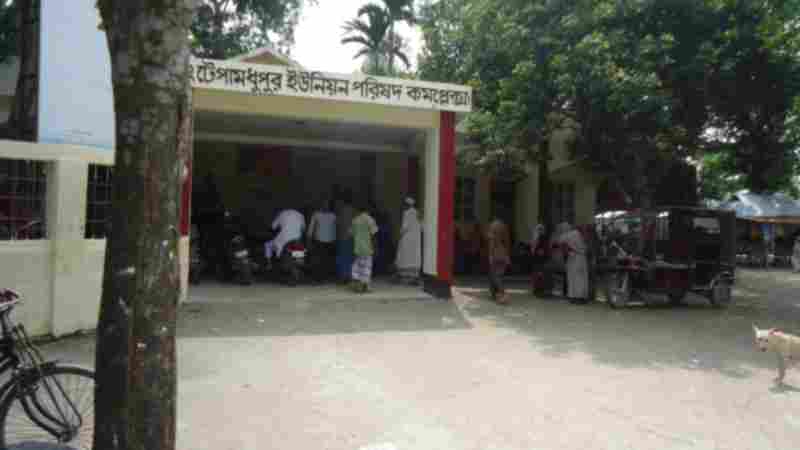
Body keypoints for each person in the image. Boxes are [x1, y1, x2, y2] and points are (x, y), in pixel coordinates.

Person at [554, 222, 590, 304]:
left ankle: (576, 297)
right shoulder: (577, 233)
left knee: (574, 278)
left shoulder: (567, 235)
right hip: (581, 258)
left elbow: (558, 241)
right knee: (582, 278)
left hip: (574, 258)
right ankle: (582, 297)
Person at [350, 203, 379, 293]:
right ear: (368, 210)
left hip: (357, 247)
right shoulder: (370, 219)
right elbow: (374, 234)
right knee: (367, 266)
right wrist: (375, 246)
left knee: (357, 266)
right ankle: (365, 286)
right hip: (367, 247)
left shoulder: (355, 220)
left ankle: (358, 285)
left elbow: (351, 234)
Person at [307, 199, 337, 282]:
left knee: (327, 260)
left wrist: (336, 239)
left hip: (330, 241)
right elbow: (311, 228)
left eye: (327, 204)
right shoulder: (316, 214)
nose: (326, 206)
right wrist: (309, 239)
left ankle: (325, 277)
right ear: (321, 205)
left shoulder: (333, 216)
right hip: (319, 241)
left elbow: (335, 228)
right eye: (324, 204)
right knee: (318, 260)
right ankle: (318, 277)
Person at [394, 197, 422, 284]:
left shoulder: (406, 213)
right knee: (414, 256)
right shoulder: (417, 213)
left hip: (407, 238)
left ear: (407, 204)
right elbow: (422, 226)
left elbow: (405, 226)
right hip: (416, 239)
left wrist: (399, 234)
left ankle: (405, 277)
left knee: (405, 256)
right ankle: (414, 276)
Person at [486, 216, 511, 304]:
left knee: (495, 276)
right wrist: (507, 255)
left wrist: (490, 255)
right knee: (498, 275)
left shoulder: (493, 227)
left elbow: (492, 243)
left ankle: (502, 293)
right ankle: (496, 294)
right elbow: (507, 242)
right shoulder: (504, 227)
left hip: (495, 255)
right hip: (503, 253)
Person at [335, 190, 356, 283]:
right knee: (351, 258)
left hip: (343, 237)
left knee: (343, 258)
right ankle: (350, 276)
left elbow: (338, 224)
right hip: (352, 237)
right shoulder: (354, 211)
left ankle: (343, 277)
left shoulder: (341, 211)